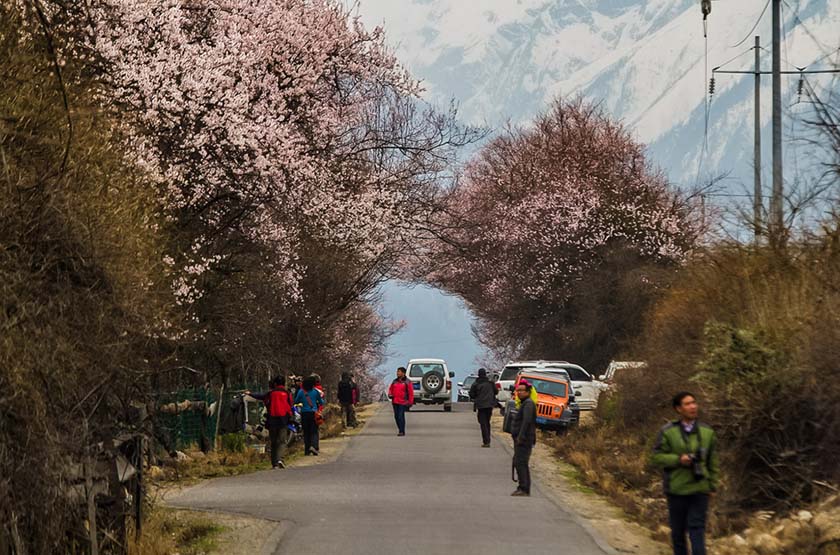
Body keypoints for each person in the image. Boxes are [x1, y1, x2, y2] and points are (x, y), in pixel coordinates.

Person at [651, 392, 719, 555]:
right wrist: (678, 460)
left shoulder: (707, 432)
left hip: (699, 487)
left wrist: (712, 485)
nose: (692, 407)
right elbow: (656, 457)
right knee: (678, 532)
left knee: (697, 529)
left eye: (694, 403)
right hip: (676, 489)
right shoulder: (668, 432)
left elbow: (712, 461)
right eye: (687, 404)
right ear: (678, 409)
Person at [247, 377, 294, 469]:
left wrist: (250, 393)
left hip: (272, 419)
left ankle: (274, 463)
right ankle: (280, 459)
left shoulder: (271, 394)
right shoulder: (287, 394)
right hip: (283, 420)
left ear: (275, 384)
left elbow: (260, 396)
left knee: (273, 442)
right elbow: (291, 405)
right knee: (282, 441)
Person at [510, 381, 536, 496]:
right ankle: (523, 487)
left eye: (522, 390)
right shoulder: (524, 403)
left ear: (528, 392)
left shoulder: (528, 404)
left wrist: (521, 436)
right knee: (519, 462)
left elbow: (526, 421)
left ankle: (524, 488)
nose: (519, 392)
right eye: (518, 390)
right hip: (521, 438)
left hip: (524, 439)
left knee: (521, 462)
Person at [295, 376, 324, 456]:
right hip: (313, 413)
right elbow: (321, 402)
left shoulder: (301, 392)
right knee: (314, 431)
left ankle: (307, 450)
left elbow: (296, 401)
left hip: (304, 413)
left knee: (306, 432)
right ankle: (314, 446)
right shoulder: (315, 392)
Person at [469, 368, 497, 447]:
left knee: (483, 423)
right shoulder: (490, 383)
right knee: (487, 422)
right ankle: (488, 440)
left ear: (478, 374)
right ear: (485, 374)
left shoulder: (476, 384)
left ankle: (486, 441)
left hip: (481, 406)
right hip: (490, 405)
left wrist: (476, 397)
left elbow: (472, 394)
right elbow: (496, 391)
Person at [387, 367, 414, 436]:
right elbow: (391, 389)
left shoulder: (407, 382)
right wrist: (390, 394)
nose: (397, 373)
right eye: (397, 371)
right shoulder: (394, 381)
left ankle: (401, 431)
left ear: (403, 373)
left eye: (399, 371)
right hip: (395, 401)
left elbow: (411, 392)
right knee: (396, 416)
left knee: (400, 416)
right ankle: (400, 429)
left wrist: (410, 402)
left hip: (403, 402)